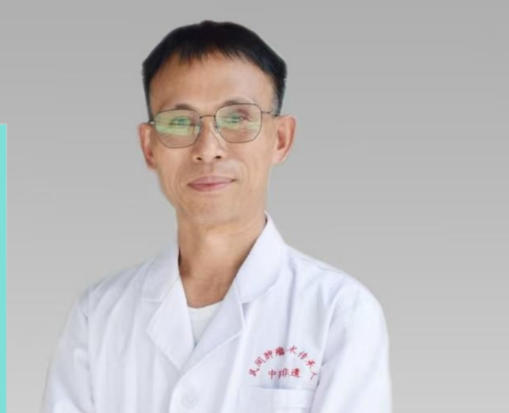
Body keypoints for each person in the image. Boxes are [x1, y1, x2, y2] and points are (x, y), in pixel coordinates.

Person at [41, 20, 392, 413]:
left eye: (238, 118)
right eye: (179, 122)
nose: (208, 149)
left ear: (280, 139)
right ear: (149, 146)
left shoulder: (338, 312)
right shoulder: (99, 316)